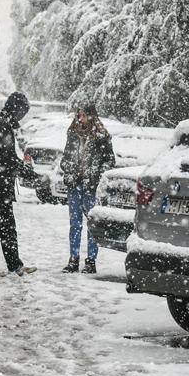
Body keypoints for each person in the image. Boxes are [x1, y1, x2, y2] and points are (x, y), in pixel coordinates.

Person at [0, 92, 39, 277]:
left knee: (6, 226)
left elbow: (8, 158)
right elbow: (7, 160)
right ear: (15, 108)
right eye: (22, 112)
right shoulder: (1, 125)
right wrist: (28, 173)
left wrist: (23, 170)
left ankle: (14, 265)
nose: (22, 116)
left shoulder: (4, 123)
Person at [60, 104, 115, 274]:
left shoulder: (101, 136)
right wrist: (68, 168)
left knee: (92, 223)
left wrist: (95, 173)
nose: (81, 119)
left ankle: (91, 261)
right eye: (79, 115)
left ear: (91, 116)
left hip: (91, 186)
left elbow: (110, 161)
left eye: (84, 115)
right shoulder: (73, 133)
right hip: (74, 185)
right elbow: (65, 158)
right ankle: (73, 259)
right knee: (75, 223)